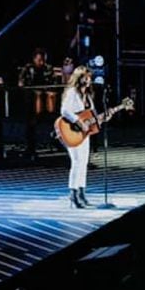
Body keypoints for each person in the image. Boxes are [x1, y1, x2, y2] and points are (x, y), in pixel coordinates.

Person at [60, 65, 94, 208]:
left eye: (89, 77)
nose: (89, 80)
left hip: (84, 133)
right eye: (86, 77)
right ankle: (73, 193)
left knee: (83, 162)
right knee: (77, 161)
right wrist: (78, 122)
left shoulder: (87, 95)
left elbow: (90, 114)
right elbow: (65, 111)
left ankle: (81, 192)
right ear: (80, 78)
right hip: (72, 130)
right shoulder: (72, 92)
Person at [18, 47, 54, 159]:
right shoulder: (27, 68)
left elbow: (53, 83)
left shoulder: (49, 68)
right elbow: (20, 82)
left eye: (43, 60)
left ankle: (57, 143)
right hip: (30, 100)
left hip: (46, 99)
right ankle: (31, 148)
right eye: (39, 60)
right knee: (30, 125)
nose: (41, 62)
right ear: (34, 59)